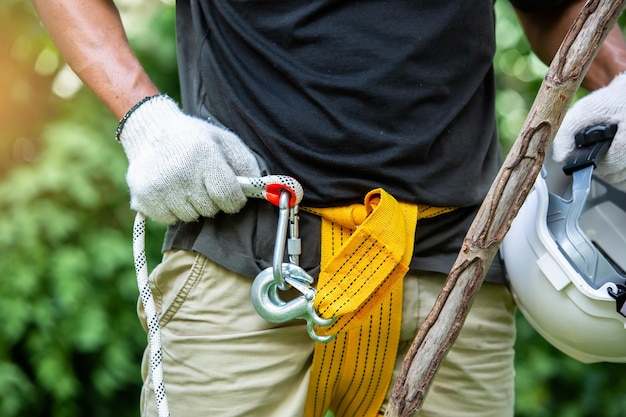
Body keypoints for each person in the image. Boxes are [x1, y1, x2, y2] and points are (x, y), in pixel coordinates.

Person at [31, 0, 626, 416]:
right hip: (246, 271)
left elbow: (557, 9)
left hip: (453, 278)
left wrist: (619, 87)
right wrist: (144, 118)